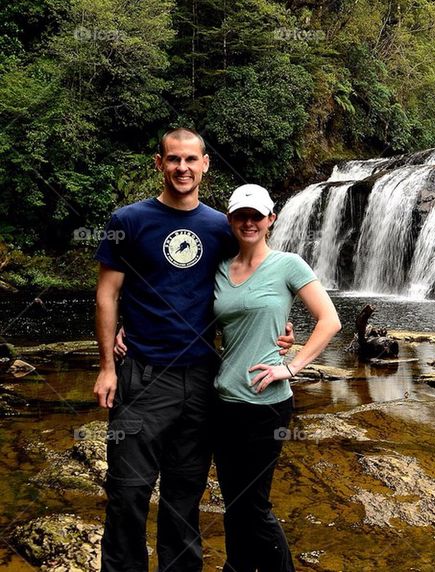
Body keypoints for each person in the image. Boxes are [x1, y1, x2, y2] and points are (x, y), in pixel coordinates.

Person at [93, 128, 294, 572]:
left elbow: (258, 276)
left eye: (190, 159)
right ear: (159, 164)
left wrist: (280, 327)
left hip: (203, 378)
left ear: (205, 165)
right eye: (173, 159)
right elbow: (107, 294)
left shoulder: (220, 228)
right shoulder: (129, 221)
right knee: (128, 492)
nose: (181, 167)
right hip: (143, 374)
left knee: (185, 496)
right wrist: (107, 365)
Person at [212, 184, 341, 571]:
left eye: (257, 216)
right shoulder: (219, 269)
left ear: (271, 219)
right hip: (223, 402)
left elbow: (330, 320)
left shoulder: (289, 264)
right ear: (231, 220)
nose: (249, 222)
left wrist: (290, 365)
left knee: (255, 503)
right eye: (241, 216)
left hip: (266, 406)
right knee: (232, 500)